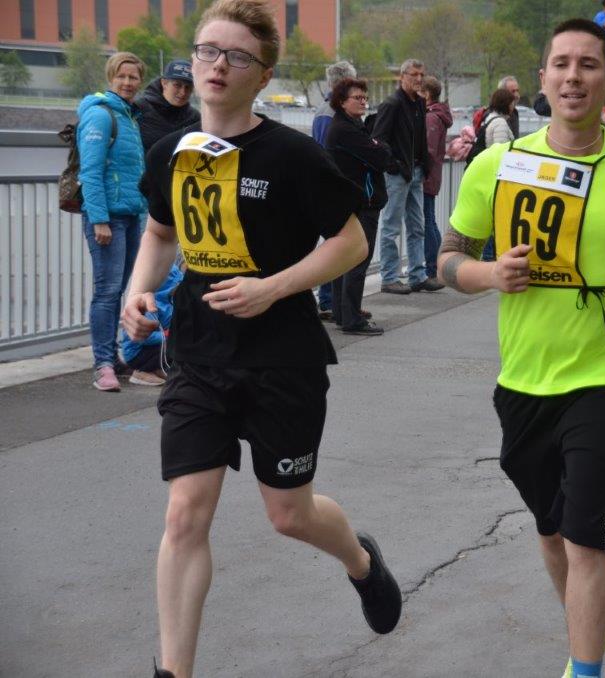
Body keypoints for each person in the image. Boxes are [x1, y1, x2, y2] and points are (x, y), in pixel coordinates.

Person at [121, 3, 402, 675]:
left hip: (282, 358)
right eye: (208, 51)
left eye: (237, 56)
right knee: (184, 516)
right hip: (198, 352)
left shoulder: (293, 155)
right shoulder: (170, 153)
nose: (217, 65)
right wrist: (137, 291)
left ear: (264, 74)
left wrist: (271, 287)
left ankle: (360, 561)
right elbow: (160, 231)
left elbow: (351, 243)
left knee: (289, 515)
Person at [437, 18, 605, 678]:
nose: (573, 76)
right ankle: (587, 627)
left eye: (588, 65)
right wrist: (489, 274)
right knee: (552, 531)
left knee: (585, 535)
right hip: (524, 380)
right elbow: (448, 258)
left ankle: (584, 667)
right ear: (542, 79)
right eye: (561, 63)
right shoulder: (497, 165)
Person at [77, 51, 148, 392]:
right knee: (106, 292)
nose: (128, 83)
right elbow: (90, 172)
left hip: (131, 214)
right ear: (110, 78)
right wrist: (99, 219)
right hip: (108, 218)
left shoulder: (129, 116)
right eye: (122, 76)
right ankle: (102, 364)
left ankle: (113, 356)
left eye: (133, 77)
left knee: (118, 289)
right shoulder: (101, 115)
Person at [326, 76, 393, 335]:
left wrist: (377, 146)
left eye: (365, 97)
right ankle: (352, 319)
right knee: (358, 259)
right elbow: (381, 157)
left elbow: (377, 151)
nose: (364, 102)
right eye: (358, 98)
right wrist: (379, 146)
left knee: (344, 260)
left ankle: (342, 312)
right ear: (342, 101)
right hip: (361, 203)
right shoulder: (345, 130)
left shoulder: (351, 126)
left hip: (349, 202)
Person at [372, 58, 442, 294]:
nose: (419, 79)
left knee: (417, 226)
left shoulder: (419, 103)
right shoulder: (392, 104)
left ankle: (417, 275)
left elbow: (420, 138)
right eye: (414, 74)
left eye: (422, 75)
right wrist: (393, 165)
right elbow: (378, 139)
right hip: (399, 174)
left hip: (416, 171)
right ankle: (389, 277)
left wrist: (424, 165)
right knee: (391, 227)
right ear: (402, 77)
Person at [311, 60, 358, 319]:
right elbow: (326, 152)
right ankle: (330, 300)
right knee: (335, 242)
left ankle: (332, 300)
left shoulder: (326, 111)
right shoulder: (330, 114)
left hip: (328, 183)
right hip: (331, 185)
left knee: (335, 242)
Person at [119, 265, 183, 385]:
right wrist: (168, 335)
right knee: (176, 342)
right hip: (136, 353)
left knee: (180, 340)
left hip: (150, 347)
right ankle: (141, 372)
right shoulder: (149, 303)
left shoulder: (166, 300)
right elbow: (145, 337)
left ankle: (156, 369)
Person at [478, 87, 518, 262]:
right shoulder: (500, 124)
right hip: (497, 178)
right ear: (506, 104)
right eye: (512, 103)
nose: (513, 106)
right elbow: (501, 151)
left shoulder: (489, 119)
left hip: (491, 176)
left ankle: (489, 256)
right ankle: (489, 258)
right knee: (495, 220)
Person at [421, 75, 452, 288]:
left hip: (427, 177)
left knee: (427, 221)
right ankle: (437, 266)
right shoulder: (438, 115)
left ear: (427, 94)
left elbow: (429, 150)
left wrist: (420, 171)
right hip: (433, 175)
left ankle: (432, 268)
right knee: (429, 220)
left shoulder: (431, 118)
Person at [136, 60, 200, 152]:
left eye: (188, 87)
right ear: (164, 83)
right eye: (177, 85)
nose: (183, 92)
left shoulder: (195, 118)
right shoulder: (139, 109)